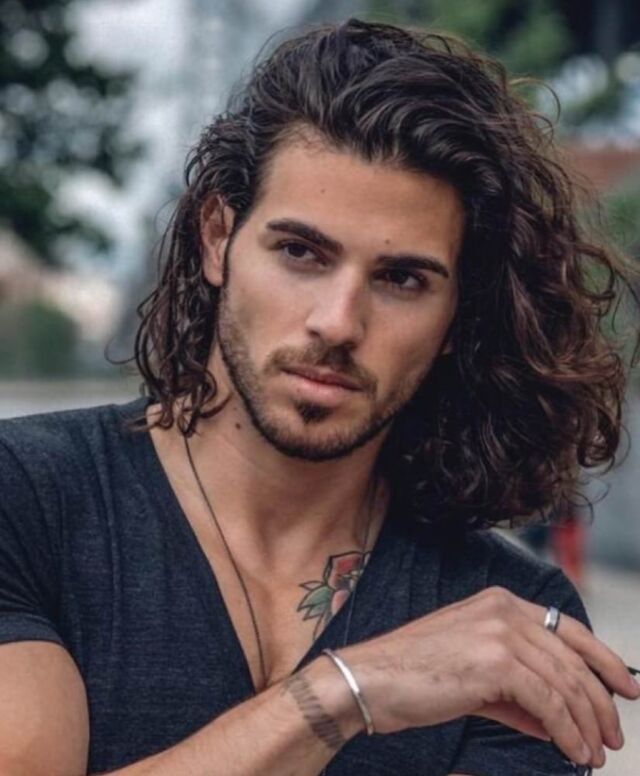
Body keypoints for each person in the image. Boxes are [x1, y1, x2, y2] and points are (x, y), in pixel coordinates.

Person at [0, 18, 638, 776]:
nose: (337, 323)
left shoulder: (507, 619)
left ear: (457, 316)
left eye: (402, 279)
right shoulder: (26, 499)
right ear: (217, 239)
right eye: (300, 252)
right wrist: (345, 692)